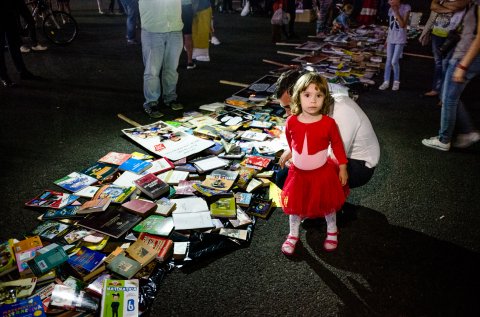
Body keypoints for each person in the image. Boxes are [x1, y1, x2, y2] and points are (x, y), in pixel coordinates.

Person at [278, 72, 349, 255]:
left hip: (322, 173)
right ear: (298, 97)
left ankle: (332, 230)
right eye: (307, 95)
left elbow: (338, 146)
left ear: (325, 98)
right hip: (298, 174)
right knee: (295, 206)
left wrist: (342, 167)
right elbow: (290, 141)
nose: (313, 100)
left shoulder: (328, 123)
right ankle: (293, 234)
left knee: (328, 204)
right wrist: (294, 153)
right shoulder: (291, 121)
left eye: (318, 95)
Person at [275, 69, 380, 190]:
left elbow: (334, 157)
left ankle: (328, 205)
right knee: (285, 174)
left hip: (359, 164)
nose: (287, 113)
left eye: (289, 106)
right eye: (284, 108)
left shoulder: (342, 110)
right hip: (335, 154)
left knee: (287, 178)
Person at [422, 1, 480, 151]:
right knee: (449, 96)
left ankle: (444, 139)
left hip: (464, 57)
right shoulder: (473, 4)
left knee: (449, 99)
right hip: (460, 53)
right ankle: (467, 132)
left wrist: (462, 66)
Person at [139, 0, 184, 118]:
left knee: (172, 68)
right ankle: (151, 102)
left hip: (175, 29)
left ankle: (170, 97)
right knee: (152, 70)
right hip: (152, 30)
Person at [419, 0, 470, 98]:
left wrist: (441, 7)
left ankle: (444, 96)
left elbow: (459, 5)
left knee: (447, 64)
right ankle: (436, 89)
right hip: (436, 34)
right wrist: (450, 9)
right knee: (438, 63)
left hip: (452, 36)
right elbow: (433, 6)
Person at [1, 0, 41, 88]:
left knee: (14, 45)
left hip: (10, 14)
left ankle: (22, 71)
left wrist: (29, 19)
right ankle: (4, 77)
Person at [378, 0, 411, 91]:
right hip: (391, 38)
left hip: (400, 39)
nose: (389, 1)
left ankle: (396, 81)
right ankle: (386, 81)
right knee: (388, 61)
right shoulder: (390, 9)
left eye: (392, 0)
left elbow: (402, 25)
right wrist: (387, 39)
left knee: (394, 61)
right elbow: (390, 26)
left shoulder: (406, 7)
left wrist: (396, 11)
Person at [182, 0, 196, 69]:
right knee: (188, 35)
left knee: (175, 35)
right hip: (187, 7)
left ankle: (172, 62)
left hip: (174, 8)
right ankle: (189, 62)